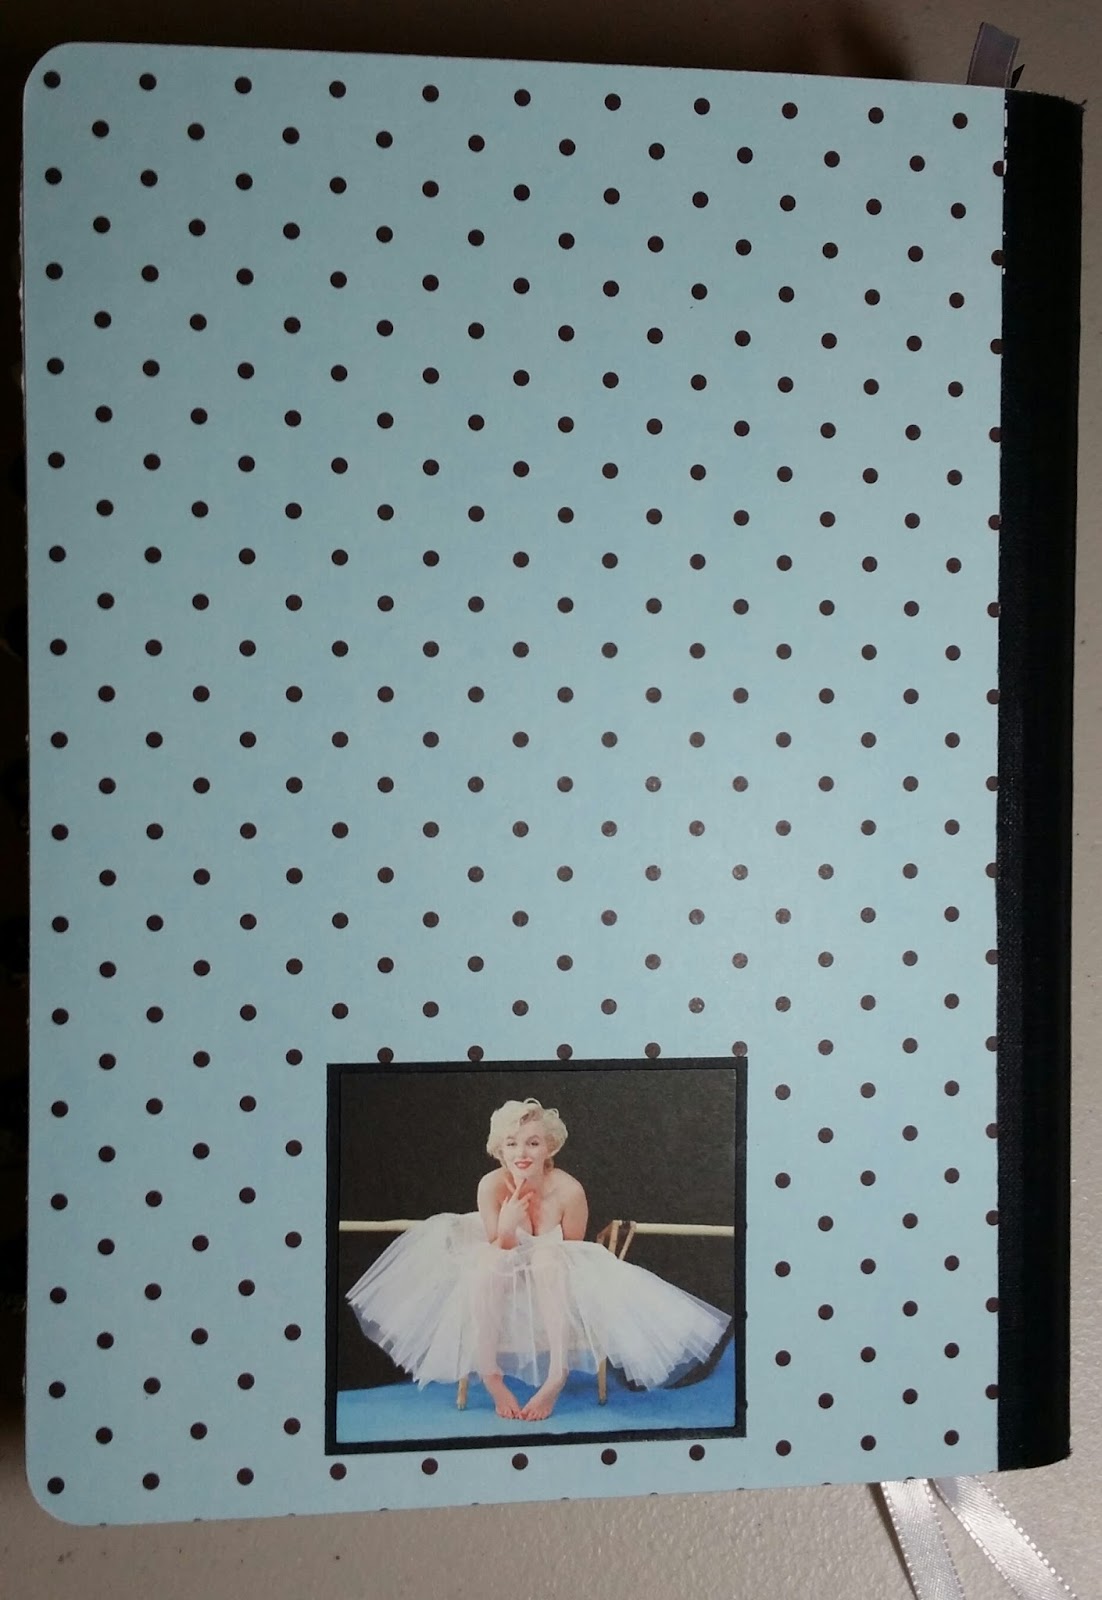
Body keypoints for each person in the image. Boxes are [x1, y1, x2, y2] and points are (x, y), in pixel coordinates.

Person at [345, 1096, 733, 1421]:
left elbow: (574, 1251)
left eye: (532, 1143)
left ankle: (556, 1374)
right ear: (499, 1150)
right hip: (502, 1270)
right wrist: (508, 1226)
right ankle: (491, 1375)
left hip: (553, 1277)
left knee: (548, 1255)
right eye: (511, 1144)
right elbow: (499, 1248)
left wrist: (538, 1254)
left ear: (549, 1147)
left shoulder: (569, 1191)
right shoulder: (491, 1186)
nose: (522, 1153)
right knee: (488, 1263)